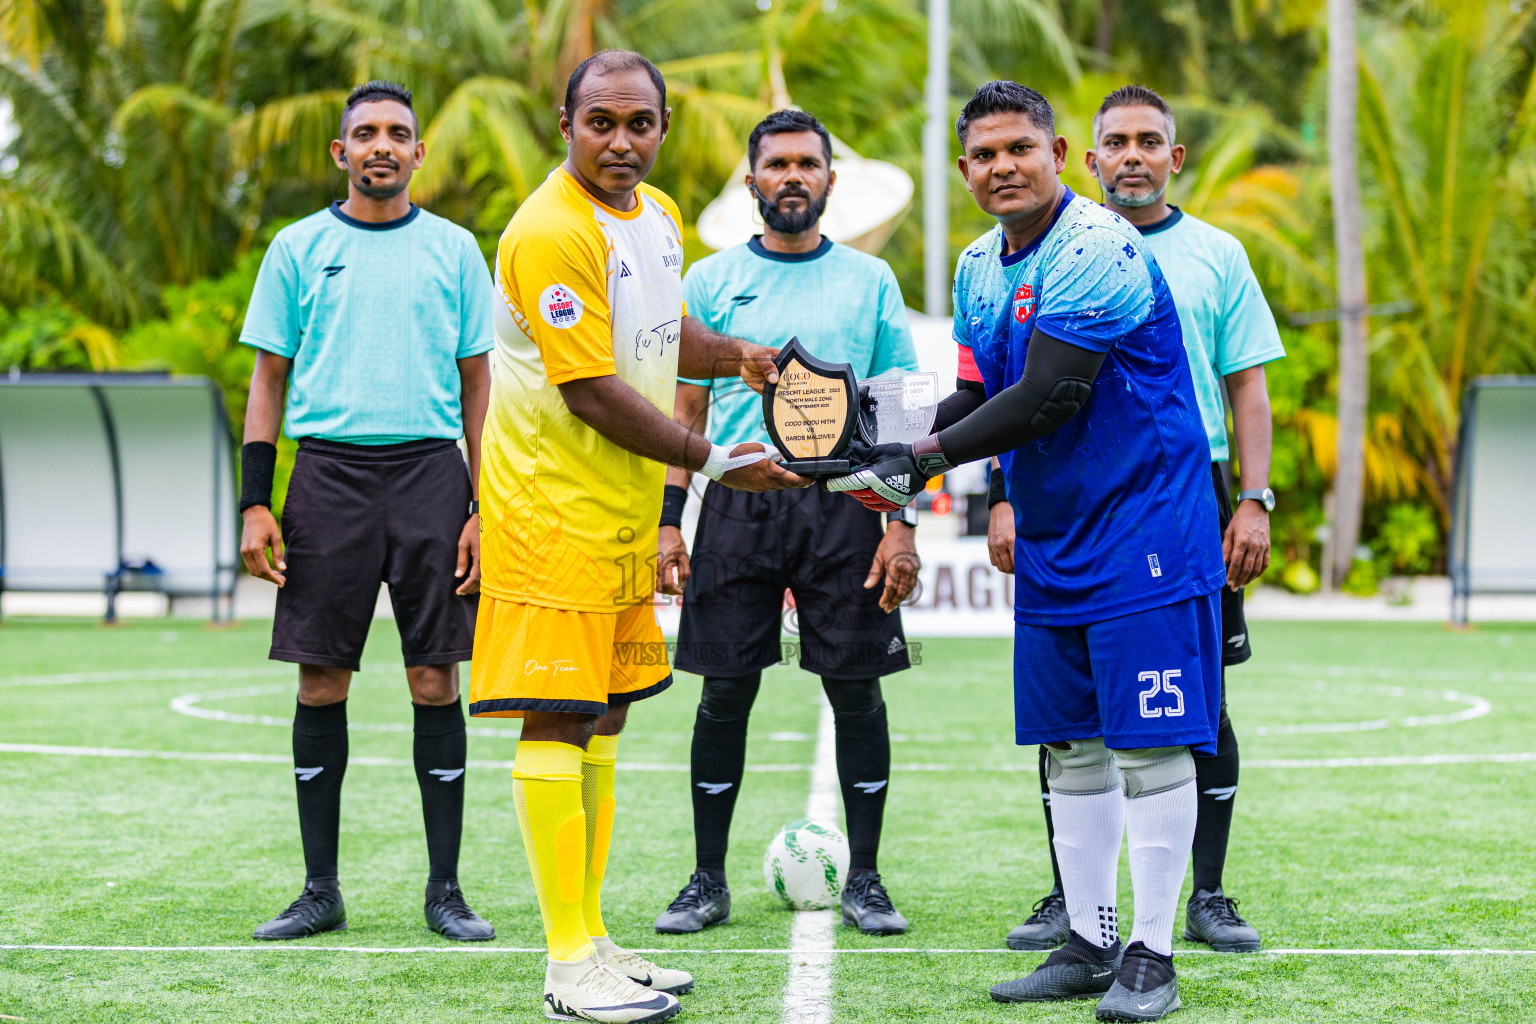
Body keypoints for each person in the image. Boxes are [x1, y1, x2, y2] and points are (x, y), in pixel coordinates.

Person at [826, 81, 1225, 1022]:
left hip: (1146, 529)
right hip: (1057, 535)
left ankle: (1153, 956)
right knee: (1071, 746)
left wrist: (917, 460)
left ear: (1059, 155)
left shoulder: (1096, 246)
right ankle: (1089, 941)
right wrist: (881, 448)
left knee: (1150, 745)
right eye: (985, 155)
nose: (1003, 167)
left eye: (1020, 149)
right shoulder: (977, 266)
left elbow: (1049, 396)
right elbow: (978, 394)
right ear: (964, 169)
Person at [471, 50, 808, 1024]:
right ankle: (565, 963)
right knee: (556, 718)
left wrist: (737, 355)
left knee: (606, 719)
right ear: (564, 125)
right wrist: (713, 461)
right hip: (549, 516)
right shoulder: (549, 231)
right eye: (602, 123)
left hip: (616, 518)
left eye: (640, 123)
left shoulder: (656, 216)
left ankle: (593, 937)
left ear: (663, 126)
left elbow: (662, 333)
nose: (622, 142)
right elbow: (590, 389)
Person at [997, 83, 1282, 956]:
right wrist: (1001, 494)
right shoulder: (1045, 251)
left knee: (1200, 701)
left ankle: (1209, 894)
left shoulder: (1217, 254)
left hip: (1187, 496)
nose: (1132, 156)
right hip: (1071, 494)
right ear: (1088, 160)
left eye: (1148, 141)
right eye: (1116, 142)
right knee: (1070, 715)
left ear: (1174, 157)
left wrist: (1255, 499)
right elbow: (1013, 387)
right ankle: (1074, 905)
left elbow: (1246, 383)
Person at [650, 109, 921, 938]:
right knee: (724, 693)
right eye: (778, 164)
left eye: (808, 163)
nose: (793, 176)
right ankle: (706, 881)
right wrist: (670, 521)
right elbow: (685, 409)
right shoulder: (709, 280)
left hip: (847, 502)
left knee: (857, 691)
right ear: (751, 181)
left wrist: (901, 524)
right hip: (738, 501)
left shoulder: (871, 280)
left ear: (831, 180)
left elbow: (899, 408)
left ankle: (866, 879)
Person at [238, 80, 495, 942]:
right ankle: (320, 890)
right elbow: (268, 378)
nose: (381, 145)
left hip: (430, 475)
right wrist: (255, 502)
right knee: (321, 679)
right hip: (328, 478)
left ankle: (445, 892)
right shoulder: (297, 247)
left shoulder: (455, 249)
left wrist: (483, 505)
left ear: (419, 152)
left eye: (397, 133)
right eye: (365, 133)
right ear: (340, 151)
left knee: (435, 679)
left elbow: (478, 384)